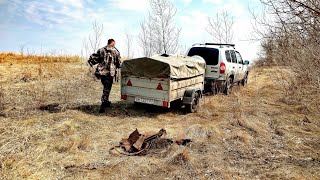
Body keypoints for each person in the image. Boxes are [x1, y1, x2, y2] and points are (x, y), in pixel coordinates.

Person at [88, 39, 121, 113]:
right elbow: (118, 63)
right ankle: (103, 106)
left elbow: (94, 59)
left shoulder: (101, 50)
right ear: (112, 43)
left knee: (106, 87)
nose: (114, 45)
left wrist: (90, 62)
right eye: (114, 44)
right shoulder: (116, 51)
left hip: (102, 73)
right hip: (110, 73)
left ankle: (106, 102)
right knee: (107, 88)